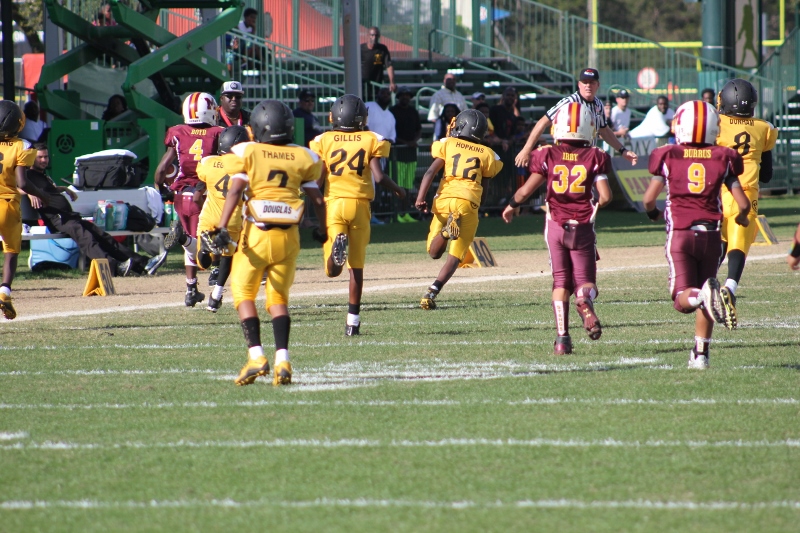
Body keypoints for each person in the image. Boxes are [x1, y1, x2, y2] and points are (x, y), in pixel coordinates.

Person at [212, 100, 327, 386]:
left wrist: (222, 227)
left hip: (257, 235)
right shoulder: (303, 156)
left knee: (243, 293)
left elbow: (235, 191)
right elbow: (318, 200)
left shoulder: (248, 152)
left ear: (258, 128)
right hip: (288, 238)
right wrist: (324, 230)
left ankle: (256, 357)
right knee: (278, 299)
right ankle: (283, 361)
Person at [642, 100, 750, 369]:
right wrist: (742, 217)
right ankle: (701, 355)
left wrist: (653, 214)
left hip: (681, 234)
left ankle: (702, 296)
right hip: (712, 236)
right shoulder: (723, 156)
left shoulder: (668, 154)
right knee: (707, 289)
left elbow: (648, 200)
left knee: (683, 299)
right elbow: (743, 204)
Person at [502, 102, 612, 355]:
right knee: (585, 282)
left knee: (560, 281)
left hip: (555, 225)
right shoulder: (595, 156)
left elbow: (525, 191)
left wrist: (511, 206)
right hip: (582, 226)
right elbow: (606, 196)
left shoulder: (547, 154)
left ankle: (562, 339)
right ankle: (584, 300)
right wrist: (594, 203)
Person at [310, 94, 406, 336]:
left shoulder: (324, 140)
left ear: (333, 116)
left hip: (334, 204)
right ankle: (352, 322)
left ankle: (335, 256)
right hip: (360, 206)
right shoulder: (371, 138)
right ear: (363, 117)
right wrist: (399, 189)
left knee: (332, 271)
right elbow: (379, 177)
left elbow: (318, 181)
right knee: (357, 267)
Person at [25, 144, 165, 277]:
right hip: (59, 219)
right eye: (40, 157)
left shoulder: (42, 175)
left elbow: (48, 190)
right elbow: (16, 186)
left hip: (70, 216)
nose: (44, 160)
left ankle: (143, 264)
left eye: (46, 157)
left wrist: (65, 189)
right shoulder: (28, 175)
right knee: (87, 239)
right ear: (32, 158)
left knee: (103, 237)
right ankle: (112, 267)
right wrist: (30, 193)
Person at [415, 109, 503, 310]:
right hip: (468, 201)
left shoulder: (448, 144)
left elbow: (430, 172)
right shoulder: (487, 153)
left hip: (445, 199)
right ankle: (431, 292)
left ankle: (446, 233)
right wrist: (477, 206)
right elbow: (484, 189)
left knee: (433, 252)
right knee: (455, 256)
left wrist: (420, 198)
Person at [715, 79, 779, 328]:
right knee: (739, 244)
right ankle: (730, 287)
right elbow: (767, 175)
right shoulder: (764, 128)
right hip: (746, 193)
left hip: (719, 192)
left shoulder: (716, 123)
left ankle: (707, 283)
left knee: (720, 240)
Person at [154, 92, 224, 307]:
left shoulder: (178, 132)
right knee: (206, 240)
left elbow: (162, 169)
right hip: (203, 194)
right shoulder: (217, 133)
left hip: (181, 194)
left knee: (192, 244)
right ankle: (213, 269)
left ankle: (191, 290)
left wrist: (161, 189)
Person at [515, 68, 638, 168]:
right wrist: (526, 150)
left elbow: (604, 130)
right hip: (567, 160)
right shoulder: (569, 102)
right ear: (579, 84)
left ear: (598, 85)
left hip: (587, 159)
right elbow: (542, 122)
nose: (588, 86)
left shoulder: (598, 104)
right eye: (585, 82)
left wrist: (623, 151)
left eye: (592, 82)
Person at [0, 100, 51, 320]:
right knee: (11, 253)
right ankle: (4, 291)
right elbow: (22, 182)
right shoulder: (23, 145)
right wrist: (42, 194)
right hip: (7, 205)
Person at [194, 126, 251, 312]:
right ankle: (216, 296)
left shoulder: (208, 162)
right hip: (232, 217)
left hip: (209, 215)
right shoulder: (246, 167)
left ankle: (204, 248)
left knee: (203, 264)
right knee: (227, 257)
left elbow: (201, 178)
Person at [390, 86, 422, 221]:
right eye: (403, 95)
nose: (405, 97)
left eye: (407, 95)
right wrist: (405, 143)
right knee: (397, 185)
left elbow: (419, 130)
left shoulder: (413, 111)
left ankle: (405, 213)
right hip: (397, 154)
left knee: (408, 185)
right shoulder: (392, 111)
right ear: (398, 97)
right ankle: (396, 213)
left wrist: (413, 141)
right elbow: (391, 133)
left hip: (410, 154)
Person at [361, 27, 396, 102]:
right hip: (363, 85)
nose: (374, 37)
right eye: (372, 35)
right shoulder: (361, 49)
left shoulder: (382, 49)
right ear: (368, 36)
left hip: (376, 85)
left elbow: (389, 66)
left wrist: (392, 82)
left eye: (376, 35)